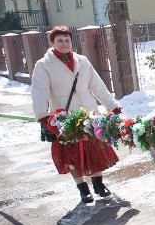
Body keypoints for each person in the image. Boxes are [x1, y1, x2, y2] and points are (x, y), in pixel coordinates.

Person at [31, 26, 121, 203]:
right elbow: (39, 92)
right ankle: (82, 187)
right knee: (71, 152)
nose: (64, 44)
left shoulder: (82, 61)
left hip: (88, 112)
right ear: (52, 42)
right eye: (60, 41)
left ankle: (98, 184)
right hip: (64, 117)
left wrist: (112, 106)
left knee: (95, 148)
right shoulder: (43, 65)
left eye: (67, 40)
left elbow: (98, 86)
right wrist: (43, 117)